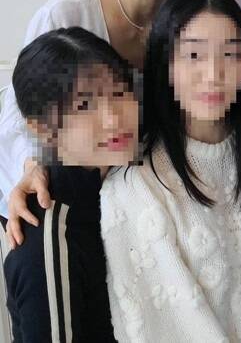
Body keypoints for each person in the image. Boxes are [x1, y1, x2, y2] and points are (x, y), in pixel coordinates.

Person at [0, 0, 200, 243]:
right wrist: (32, 168)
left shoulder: (194, 20)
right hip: (62, 200)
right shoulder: (66, 15)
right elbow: (20, 115)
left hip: (145, 206)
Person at [100, 0, 241, 342]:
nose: (213, 74)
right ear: (165, 64)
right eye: (193, 55)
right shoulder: (134, 186)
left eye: (230, 54)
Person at [4, 27, 140, 342]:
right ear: (42, 129)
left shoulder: (128, 180)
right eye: (84, 105)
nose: (113, 118)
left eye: (119, 92)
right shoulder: (47, 240)